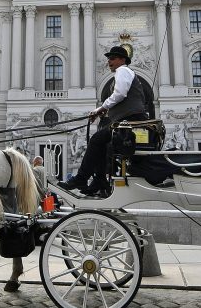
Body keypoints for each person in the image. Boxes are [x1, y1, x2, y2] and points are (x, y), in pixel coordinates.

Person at [58, 46, 149, 197]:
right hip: (128, 120)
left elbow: (120, 94)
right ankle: (99, 181)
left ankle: (81, 178)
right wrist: (104, 111)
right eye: (108, 58)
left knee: (96, 139)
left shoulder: (123, 71)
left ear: (122, 60)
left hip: (130, 121)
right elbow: (123, 99)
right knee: (102, 144)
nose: (109, 61)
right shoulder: (123, 73)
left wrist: (101, 108)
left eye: (112, 58)